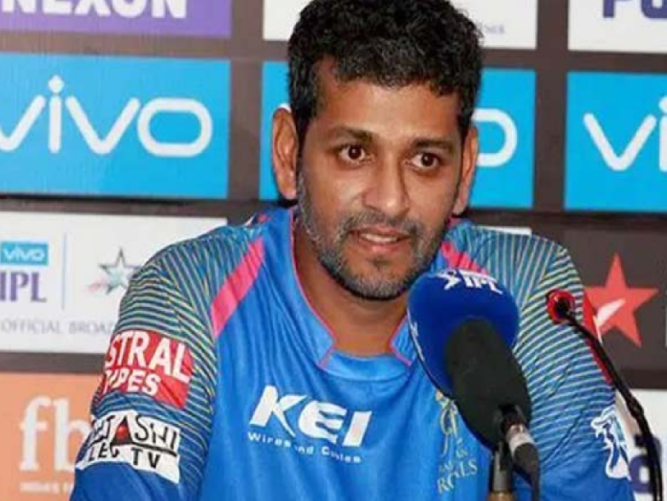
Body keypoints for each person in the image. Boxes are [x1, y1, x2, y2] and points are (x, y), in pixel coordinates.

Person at [71, 0, 637, 499]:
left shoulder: (529, 296)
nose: (390, 201)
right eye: (354, 153)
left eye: (425, 160)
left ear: (466, 169)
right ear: (289, 153)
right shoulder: (189, 295)